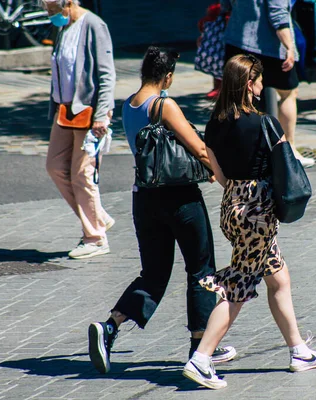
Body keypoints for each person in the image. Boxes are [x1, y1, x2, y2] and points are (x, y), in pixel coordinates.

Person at [182, 54, 316, 390]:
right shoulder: (265, 123)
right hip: (257, 214)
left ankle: (298, 351)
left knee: (278, 278)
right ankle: (202, 358)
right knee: (237, 287)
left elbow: (217, 171)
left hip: (232, 205)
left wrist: (238, 190)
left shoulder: (215, 123)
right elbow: (285, 169)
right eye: (260, 80)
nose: (263, 86)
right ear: (249, 83)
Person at [87, 47, 236, 374]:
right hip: (179, 198)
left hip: (144, 198)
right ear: (167, 76)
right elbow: (196, 145)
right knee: (201, 269)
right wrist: (224, 178)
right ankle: (200, 348)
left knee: (153, 273)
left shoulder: (128, 105)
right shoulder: (163, 104)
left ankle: (110, 326)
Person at [42, 0, 116, 259]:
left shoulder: (94, 25)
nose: (51, 15)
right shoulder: (64, 27)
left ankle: (95, 238)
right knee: (54, 166)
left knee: (82, 174)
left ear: (69, 3)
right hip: (66, 111)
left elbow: (107, 74)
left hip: (90, 112)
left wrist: (102, 115)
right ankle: (98, 216)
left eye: (53, 10)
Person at [220, 0, 315, 168]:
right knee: (288, 93)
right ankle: (289, 149)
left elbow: (225, 5)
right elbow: (277, 13)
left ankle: (243, 149)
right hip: (268, 45)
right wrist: (289, 47)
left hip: (236, 40)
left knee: (239, 97)